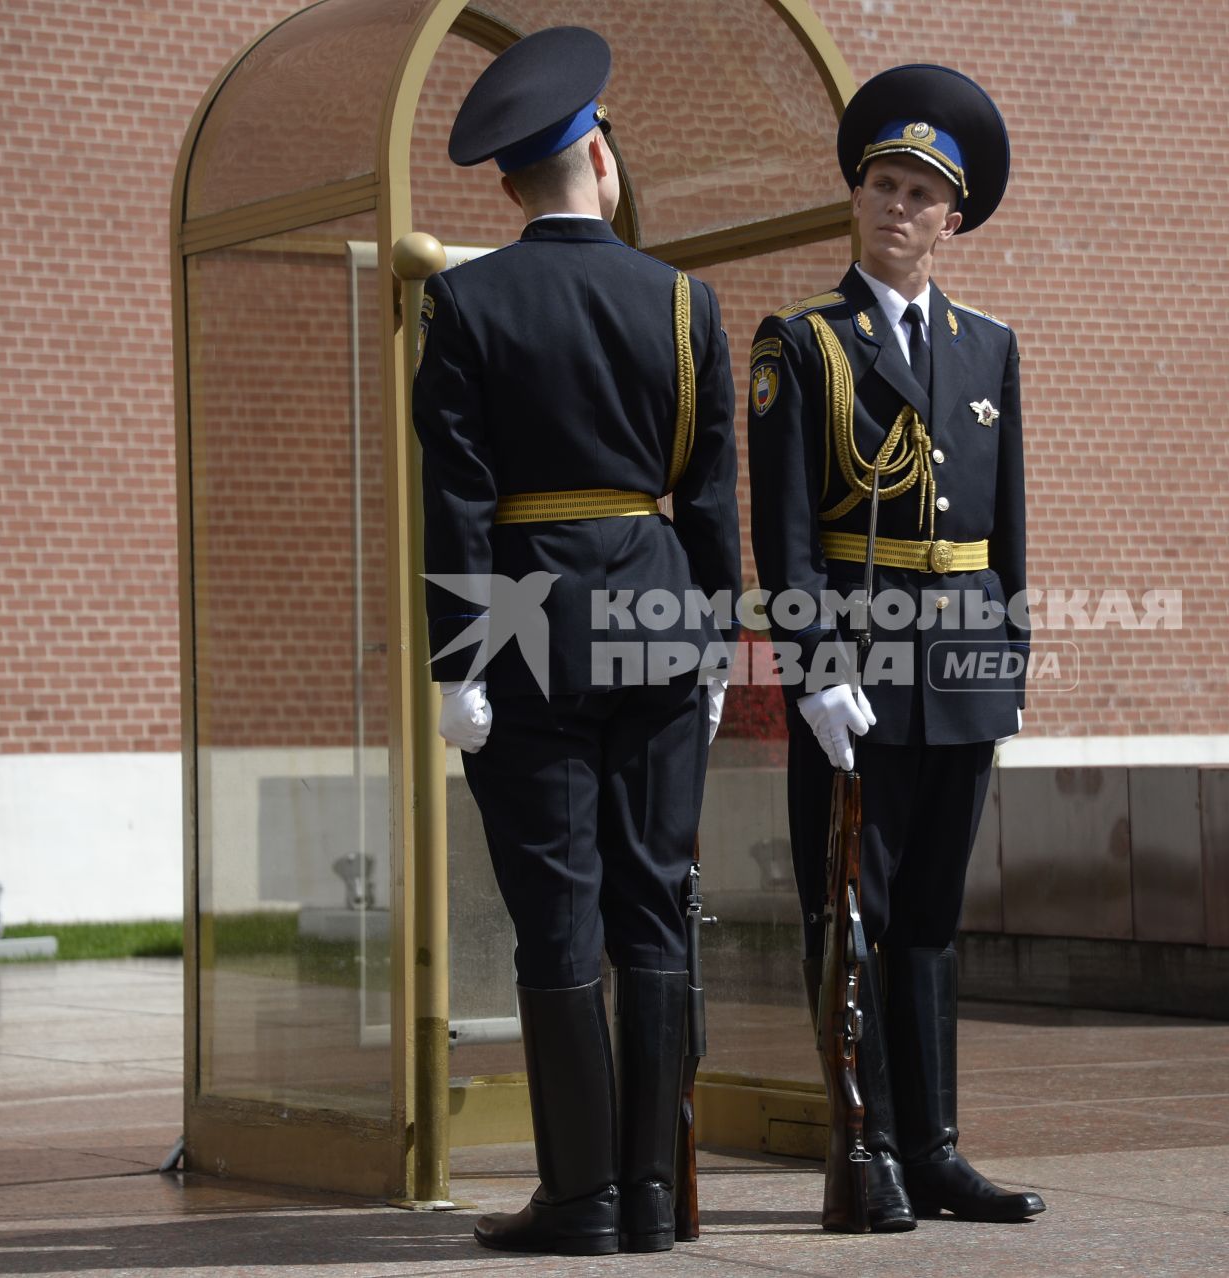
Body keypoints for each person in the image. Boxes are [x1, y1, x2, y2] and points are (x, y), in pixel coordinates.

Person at [412, 27, 739, 1257]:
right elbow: (710, 500)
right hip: (658, 623)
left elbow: (455, 498)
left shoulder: (465, 299)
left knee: (559, 913)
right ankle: (652, 1198)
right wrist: (711, 642)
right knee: (654, 907)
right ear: (600, 158)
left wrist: (459, 664)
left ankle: (582, 1200)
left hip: (526, 632)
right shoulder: (683, 299)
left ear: (506, 182)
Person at [747, 64, 1044, 1230]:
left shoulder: (989, 350)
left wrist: (1005, 668)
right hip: (858, 676)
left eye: (921, 193)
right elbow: (788, 543)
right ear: (855, 198)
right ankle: (860, 1150)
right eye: (882, 183)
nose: (897, 206)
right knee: (851, 916)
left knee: (929, 918)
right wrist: (814, 676)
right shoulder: (805, 345)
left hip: (960, 667)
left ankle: (939, 1152)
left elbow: (1006, 530)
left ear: (952, 219)